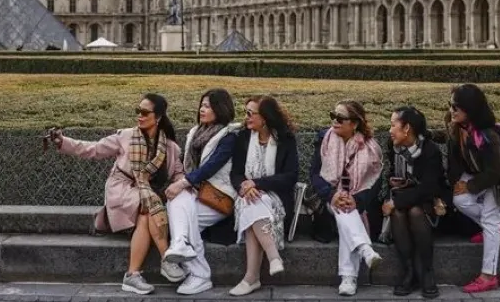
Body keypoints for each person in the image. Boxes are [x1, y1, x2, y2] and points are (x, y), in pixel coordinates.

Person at [49, 93, 186, 295]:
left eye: (145, 112)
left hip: (146, 199)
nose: (139, 115)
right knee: (149, 202)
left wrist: (182, 186)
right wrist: (63, 142)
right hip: (121, 190)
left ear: (157, 117)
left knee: (146, 210)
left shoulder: (171, 148)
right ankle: (166, 258)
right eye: (137, 111)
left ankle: (132, 276)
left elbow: (179, 175)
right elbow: (93, 149)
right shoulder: (126, 136)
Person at [447, 84, 500, 294]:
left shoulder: (487, 136)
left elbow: (495, 173)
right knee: (460, 200)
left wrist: (470, 186)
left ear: (470, 109)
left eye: (456, 107)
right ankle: (495, 230)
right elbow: (449, 138)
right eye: (450, 105)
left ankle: (488, 276)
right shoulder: (458, 126)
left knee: (490, 220)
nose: (451, 110)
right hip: (479, 174)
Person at [163, 88, 241, 295]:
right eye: (202, 105)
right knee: (176, 202)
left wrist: (183, 183)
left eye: (208, 106)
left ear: (220, 108)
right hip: (193, 192)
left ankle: (195, 268)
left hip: (218, 196)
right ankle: (187, 255)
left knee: (184, 216)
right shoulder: (194, 133)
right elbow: (185, 165)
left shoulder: (229, 136)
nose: (202, 109)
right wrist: (182, 183)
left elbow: (212, 166)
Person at [309, 100, 384, 297]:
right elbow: (315, 176)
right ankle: (365, 249)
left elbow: (375, 183)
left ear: (355, 124)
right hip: (329, 197)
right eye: (333, 115)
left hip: (358, 200)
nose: (335, 121)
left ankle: (348, 277)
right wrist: (333, 195)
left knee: (348, 212)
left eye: (340, 118)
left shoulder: (370, 147)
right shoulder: (324, 139)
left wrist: (356, 200)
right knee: (343, 208)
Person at [228, 96, 299, 297]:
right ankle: (273, 256)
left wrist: (257, 183)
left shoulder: (285, 139)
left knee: (254, 207)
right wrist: (245, 185)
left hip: (277, 198)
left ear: (265, 117)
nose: (246, 117)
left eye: (251, 113)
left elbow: (290, 176)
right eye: (246, 112)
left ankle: (251, 278)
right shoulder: (243, 138)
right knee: (251, 202)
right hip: (246, 194)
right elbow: (235, 173)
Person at [383, 106, 447, 298]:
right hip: (402, 196)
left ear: (407, 128)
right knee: (399, 212)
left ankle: (427, 271)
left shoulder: (429, 151)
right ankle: (408, 271)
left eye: (393, 125)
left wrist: (397, 201)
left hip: (428, 202)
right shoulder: (393, 146)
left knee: (415, 212)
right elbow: (391, 175)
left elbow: (429, 188)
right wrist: (394, 187)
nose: (390, 130)